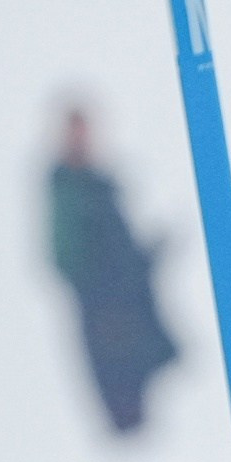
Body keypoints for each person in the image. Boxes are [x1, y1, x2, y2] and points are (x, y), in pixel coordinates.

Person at [49, 104, 179, 435]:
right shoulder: (68, 191)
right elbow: (68, 259)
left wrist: (145, 259)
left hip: (132, 310)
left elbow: (125, 250)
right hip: (107, 316)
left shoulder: (102, 184)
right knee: (126, 399)